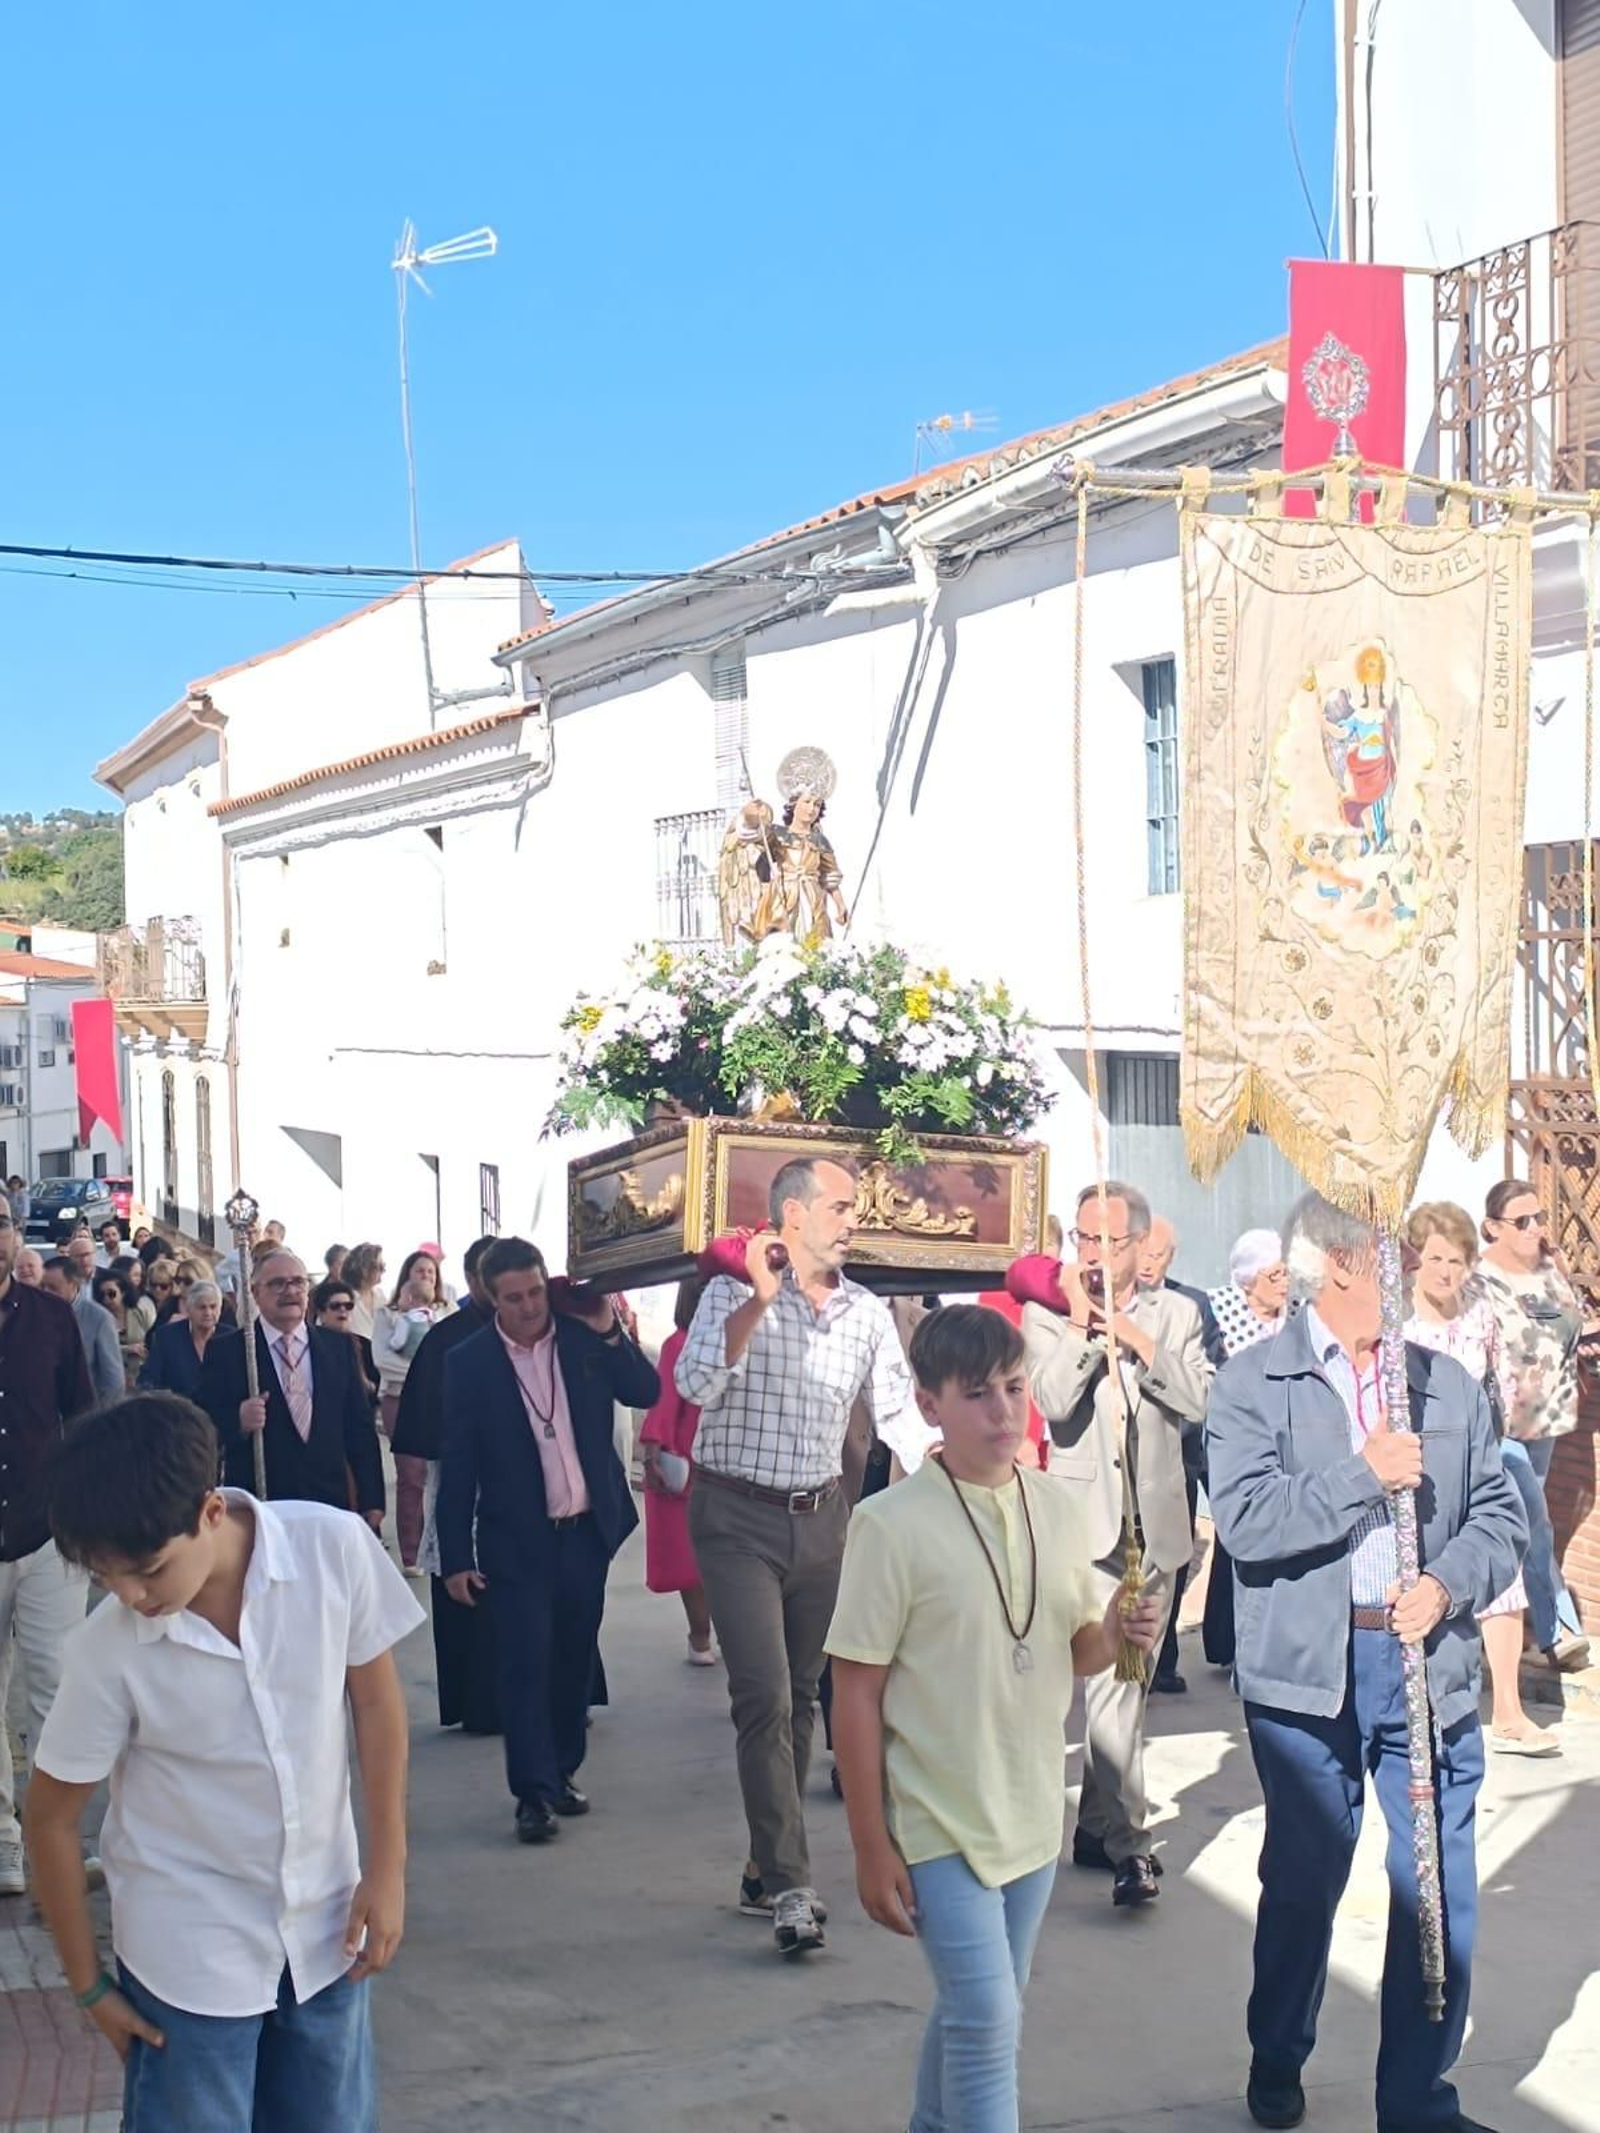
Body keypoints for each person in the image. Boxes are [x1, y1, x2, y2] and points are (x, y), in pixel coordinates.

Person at [1207, 1190, 1525, 2133]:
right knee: (1305, 1878)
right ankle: (1278, 2049)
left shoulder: (1445, 1381)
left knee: (1436, 1887)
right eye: (1397, 1250)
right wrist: (1364, 1473)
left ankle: (1417, 2099)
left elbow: (1500, 1512)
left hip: (1426, 1659)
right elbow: (1246, 1521)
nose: (1417, 1268)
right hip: (1309, 1670)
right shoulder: (1254, 1380)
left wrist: (1448, 1583)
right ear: (1344, 1261)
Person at [23, 1392, 424, 2132]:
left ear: (211, 1511)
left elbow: (375, 1704)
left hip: (329, 1931)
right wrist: (88, 1985)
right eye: (107, 1579)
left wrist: (388, 1867)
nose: (130, 1596)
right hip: (187, 1964)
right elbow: (48, 1817)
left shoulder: (331, 1548)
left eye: (148, 1570)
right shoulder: (107, 1649)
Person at [828, 1305, 1163, 2121]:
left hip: (1031, 1807)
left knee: (981, 2006)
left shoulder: (1055, 1506)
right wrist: (871, 1845)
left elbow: (1075, 1648)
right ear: (929, 1403)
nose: (1004, 1411)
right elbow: (856, 1690)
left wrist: (1118, 1629)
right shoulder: (888, 1524)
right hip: (937, 1815)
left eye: (1014, 1387)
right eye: (977, 1393)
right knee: (986, 2023)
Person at [676, 1155, 935, 1954]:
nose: (855, 1219)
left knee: (799, 1695)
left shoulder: (867, 1311)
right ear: (793, 1214)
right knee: (762, 1696)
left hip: (822, 1518)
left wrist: (951, 1466)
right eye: (842, 1206)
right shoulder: (732, 1292)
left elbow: (897, 1411)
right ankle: (792, 1884)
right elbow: (692, 1384)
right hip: (735, 1517)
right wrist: (758, 1301)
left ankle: (765, 1866)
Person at [1019, 1180, 1212, 1910]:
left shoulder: (1177, 1314)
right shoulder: (1047, 1315)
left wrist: (1137, 1339)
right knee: (1108, 1686)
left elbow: (1200, 1401)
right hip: (1085, 1527)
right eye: (1083, 1238)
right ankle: (1132, 1844)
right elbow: (1050, 1401)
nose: (1094, 1253)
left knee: (1125, 1689)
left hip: (1153, 1528)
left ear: (1141, 1245)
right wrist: (1082, 1326)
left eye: (1108, 1240)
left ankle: (1100, 1829)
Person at [437, 1239, 658, 1843]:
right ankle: (532, 1793)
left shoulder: (583, 1340)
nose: (530, 1306)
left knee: (573, 1657)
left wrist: (609, 1329)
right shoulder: (470, 1363)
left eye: (536, 1292)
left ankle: (561, 1770)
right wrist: (455, 1557)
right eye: (514, 1298)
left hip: (585, 1533)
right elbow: (458, 1465)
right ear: (491, 1298)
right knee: (523, 1663)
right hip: (515, 1539)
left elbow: (646, 1391)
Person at [1405, 1201, 1557, 1758]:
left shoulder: (1478, 1312)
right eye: (1436, 1258)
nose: (1447, 1271)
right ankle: (1425, 1708)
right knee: (1427, 1582)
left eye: (1457, 1260)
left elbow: (1497, 1377)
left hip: (1480, 1458)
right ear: (1416, 1259)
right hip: (1419, 1471)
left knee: (1503, 1577)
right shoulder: (1399, 1321)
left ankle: (1509, 1714)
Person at [0, 1187, 94, 1898]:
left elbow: (82, 1419)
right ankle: (3, 1846)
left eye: (0, 1224)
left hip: (45, 1536)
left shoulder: (53, 1318)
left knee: (55, 1693)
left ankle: (56, 1841)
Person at [1475, 1179, 1590, 1673]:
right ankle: (1557, 1628)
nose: (1535, 1228)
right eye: (1522, 1221)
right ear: (1492, 1227)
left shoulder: (1547, 1270)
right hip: (1500, 1425)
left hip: (1546, 1422)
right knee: (1530, 1520)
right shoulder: (1478, 1279)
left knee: (1516, 1523)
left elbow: (1571, 1324)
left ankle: (1498, 1626)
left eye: (1539, 1218)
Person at [393, 1236, 500, 1734]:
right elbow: (426, 1423)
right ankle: (478, 1702)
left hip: (534, 1488)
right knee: (467, 1583)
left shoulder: (537, 1328)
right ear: (472, 1280)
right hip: (467, 1482)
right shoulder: (447, 1338)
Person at [197, 1250, 385, 1525]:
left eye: (298, 1282)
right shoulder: (229, 1351)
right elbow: (203, 1423)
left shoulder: (338, 1347)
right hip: (262, 1508)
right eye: (277, 1283)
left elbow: (359, 1427)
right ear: (255, 1292)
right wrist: (237, 1420)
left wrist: (372, 1498)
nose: (290, 1291)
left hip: (328, 1506)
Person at [1136, 1214, 1226, 1694]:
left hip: (1176, 1451)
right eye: (1143, 1252)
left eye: (1158, 1255)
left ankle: (1163, 1657)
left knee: (1169, 1555)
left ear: (1171, 1258)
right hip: (1123, 1454)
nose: (1148, 1263)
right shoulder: (1112, 1302)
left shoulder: (1193, 1304)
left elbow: (1211, 1373)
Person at [1201, 1228, 1292, 1675]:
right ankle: (1228, 1640)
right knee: (1236, 1538)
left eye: (1286, 1272)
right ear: (1249, 1279)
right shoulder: (1218, 1312)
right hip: (1237, 1441)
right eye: (1274, 1274)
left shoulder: (1298, 1314)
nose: (1284, 1283)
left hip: (1286, 1443)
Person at [638, 1277, 716, 1666]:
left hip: (699, 1461)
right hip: (700, 1463)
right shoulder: (683, 1343)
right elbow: (665, 1401)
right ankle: (702, 1636)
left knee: (696, 1559)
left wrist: (656, 1445)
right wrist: (656, 1446)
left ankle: (701, 1637)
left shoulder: (683, 1343)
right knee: (699, 1559)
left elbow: (664, 1403)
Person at [373, 1251, 452, 1578]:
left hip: (442, 1399)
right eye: (420, 1271)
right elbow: (382, 1359)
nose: (426, 1277)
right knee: (411, 1475)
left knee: (446, 1473)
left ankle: (445, 1546)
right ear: (408, 1274)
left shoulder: (448, 1312)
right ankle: (411, 1553)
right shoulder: (387, 1315)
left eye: (431, 1272)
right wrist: (425, 1373)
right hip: (400, 1398)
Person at [42, 1253, 125, 1408]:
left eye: (53, 1288)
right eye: (43, 1287)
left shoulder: (99, 1318)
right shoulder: (36, 1314)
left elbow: (113, 1378)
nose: (46, 1293)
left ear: (73, 1284)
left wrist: (105, 1415)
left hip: (84, 1411)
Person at [140, 1279, 232, 1400]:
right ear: (189, 1309)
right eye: (202, 1307)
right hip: (177, 1408)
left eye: (213, 1307)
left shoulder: (231, 1337)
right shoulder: (167, 1337)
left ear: (220, 1309)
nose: (208, 1313)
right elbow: (148, 1379)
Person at [92, 1271, 143, 1391]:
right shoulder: (99, 1318)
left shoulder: (138, 1313)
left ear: (123, 1292)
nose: (106, 1299)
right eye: (102, 1295)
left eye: (111, 1294)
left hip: (138, 1380)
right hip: (111, 1382)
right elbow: (95, 1349)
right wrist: (127, 1348)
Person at [341, 1244, 387, 1347]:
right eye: (380, 1266)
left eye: (384, 1266)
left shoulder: (380, 1296)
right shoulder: (343, 1300)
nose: (384, 1270)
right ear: (364, 1269)